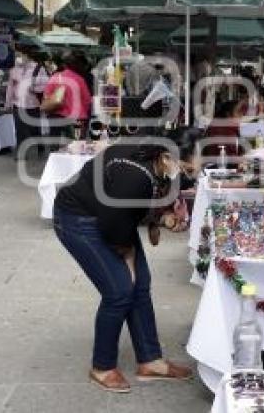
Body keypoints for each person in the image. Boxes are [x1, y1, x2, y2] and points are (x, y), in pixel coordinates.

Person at [53, 133, 197, 392]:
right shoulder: (134, 176)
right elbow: (115, 229)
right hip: (78, 219)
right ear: (166, 157)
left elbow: (146, 198)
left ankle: (151, 361)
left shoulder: (153, 157)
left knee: (140, 286)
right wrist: (128, 263)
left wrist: (161, 218)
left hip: (111, 215)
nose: (187, 175)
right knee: (120, 290)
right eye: (185, 168)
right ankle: (102, 367)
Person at [6, 50, 49, 159]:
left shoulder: (39, 69)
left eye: (21, 55)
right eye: (17, 56)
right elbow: (10, 87)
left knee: (34, 128)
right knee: (19, 129)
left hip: (33, 104)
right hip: (18, 104)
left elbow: (46, 85)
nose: (19, 58)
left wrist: (34, 88)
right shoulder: (14, 71)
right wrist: (8, 102)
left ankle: (40, 146)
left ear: (28, 56)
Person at [41, 52, 92, 141]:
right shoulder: (80, 79)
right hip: (76, 119)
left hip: (55, 117)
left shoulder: (55, 77)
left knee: (55, 146)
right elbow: (87, 101)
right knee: (76, 147)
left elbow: (46, 95)